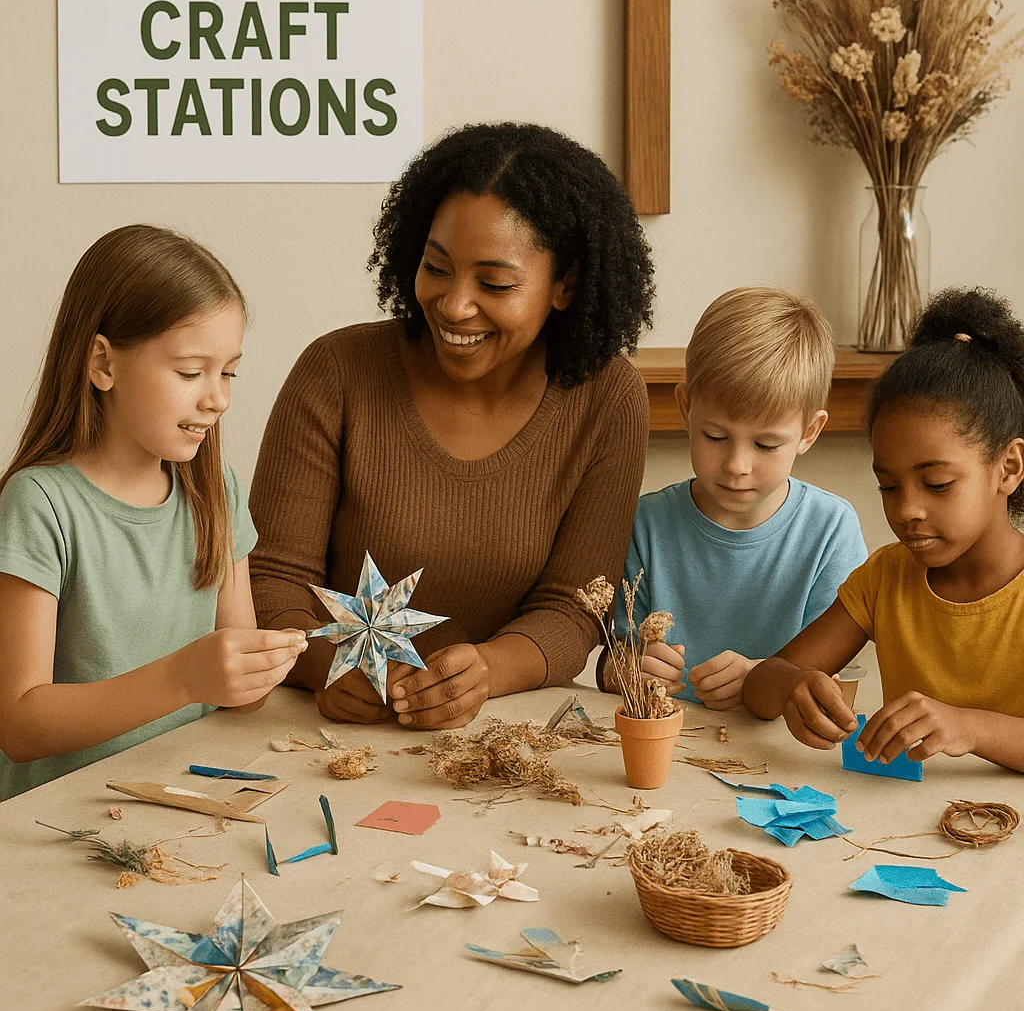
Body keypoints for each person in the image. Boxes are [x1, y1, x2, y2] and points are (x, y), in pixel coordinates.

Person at [250, 121, 654, 730]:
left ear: (566, 286)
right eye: (436, 268)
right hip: (320, 736)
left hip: (501, 737)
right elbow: (272, 578)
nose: (454, 304)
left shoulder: (608, 399)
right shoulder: (335, 371)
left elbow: (576, 607)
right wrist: (325, 662)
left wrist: (489, 671)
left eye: (495, 283)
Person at [0, 226, 307, 801]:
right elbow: (19, 724)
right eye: (191, 373)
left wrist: (260, 667)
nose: (218, 397)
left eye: (228, 372)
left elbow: (240, 691)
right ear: (103, 363)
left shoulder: (216, 490)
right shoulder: (40, 504)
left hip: (180, 803)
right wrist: (183, 677)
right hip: (60, 825)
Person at [744, 287, 1024, 774]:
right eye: (888, 487)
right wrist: (792, 686)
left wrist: (970, 727)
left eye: (937, 484)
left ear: (1009, 466)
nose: (907, 510)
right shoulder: (886, 579)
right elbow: (759, 685)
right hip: (900, 832)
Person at [600, 287, 865, 709]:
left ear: (809, 433)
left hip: (773, 758)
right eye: (715, 436)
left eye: (765, 445)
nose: (737, 465)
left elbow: (827, 675)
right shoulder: (645, 523)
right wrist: (623, 667)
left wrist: (766, 680)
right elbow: (615, 657)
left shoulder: (831, 530)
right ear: (686, 409)